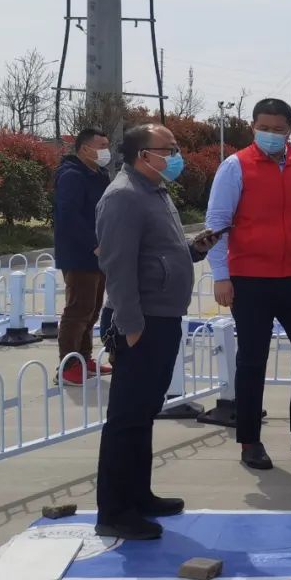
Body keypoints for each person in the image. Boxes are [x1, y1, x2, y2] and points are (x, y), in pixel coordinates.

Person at [94, 124, 222, 540]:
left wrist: (194, 250)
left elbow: (158, 253)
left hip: (162, 317)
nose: (176, 156)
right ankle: (115, 512)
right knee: (126, 420)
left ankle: (139, 496)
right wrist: (131, 327)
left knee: (143, 415)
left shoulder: (154, 191)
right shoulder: (123, 197)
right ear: (142, 155)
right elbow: (117, 268)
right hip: (141, 322)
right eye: (169, 149)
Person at [205, 98, 291, 471]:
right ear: (253, 127)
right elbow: (217, 223)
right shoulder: (235, 167)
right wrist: (221, 275)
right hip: (249, 280)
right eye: (264, 128)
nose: (271, 135)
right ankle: (250, 441)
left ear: (290, 130)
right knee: (252, 360)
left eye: (278, 129)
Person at [53, 127, 112, 385]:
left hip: (100, 253)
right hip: (79, 254)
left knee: (92, 309)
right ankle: (68, 366)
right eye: (102, 146)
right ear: (85, 148)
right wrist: (93, 244)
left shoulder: (99, 174)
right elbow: (68, 216)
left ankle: (84, 358)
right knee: (78, 310)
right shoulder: (71, 176)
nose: (106, 151)